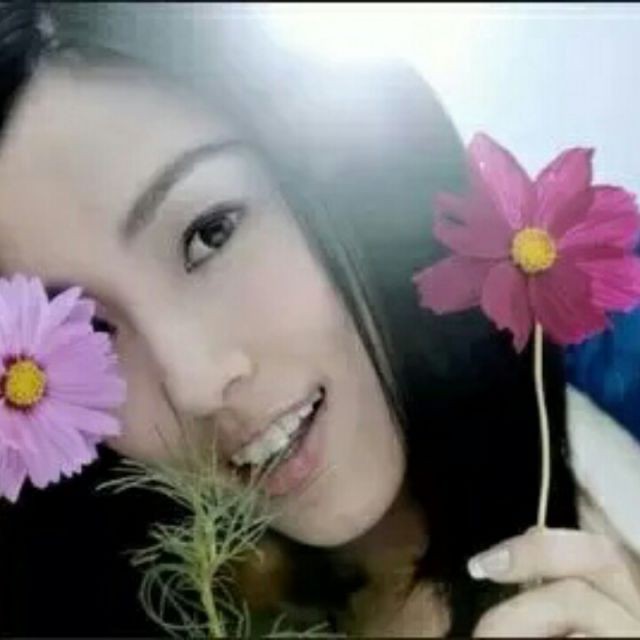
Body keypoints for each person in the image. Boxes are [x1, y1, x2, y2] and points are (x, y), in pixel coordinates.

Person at [1, 2, 640, 637]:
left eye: (210, 233)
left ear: (331, 162)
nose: (195, 385)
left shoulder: (614, 354)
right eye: (92, 333)